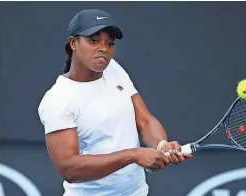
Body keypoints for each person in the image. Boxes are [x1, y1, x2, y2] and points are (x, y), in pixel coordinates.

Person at [38, 9, 192, 196]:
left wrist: (161, 145)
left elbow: (144, 120)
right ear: (74, 43)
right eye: (93, 41)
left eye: (109, 43)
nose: (103, 48)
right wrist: (133, 155)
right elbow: (70, 169)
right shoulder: (58, 100)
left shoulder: (113, 69)